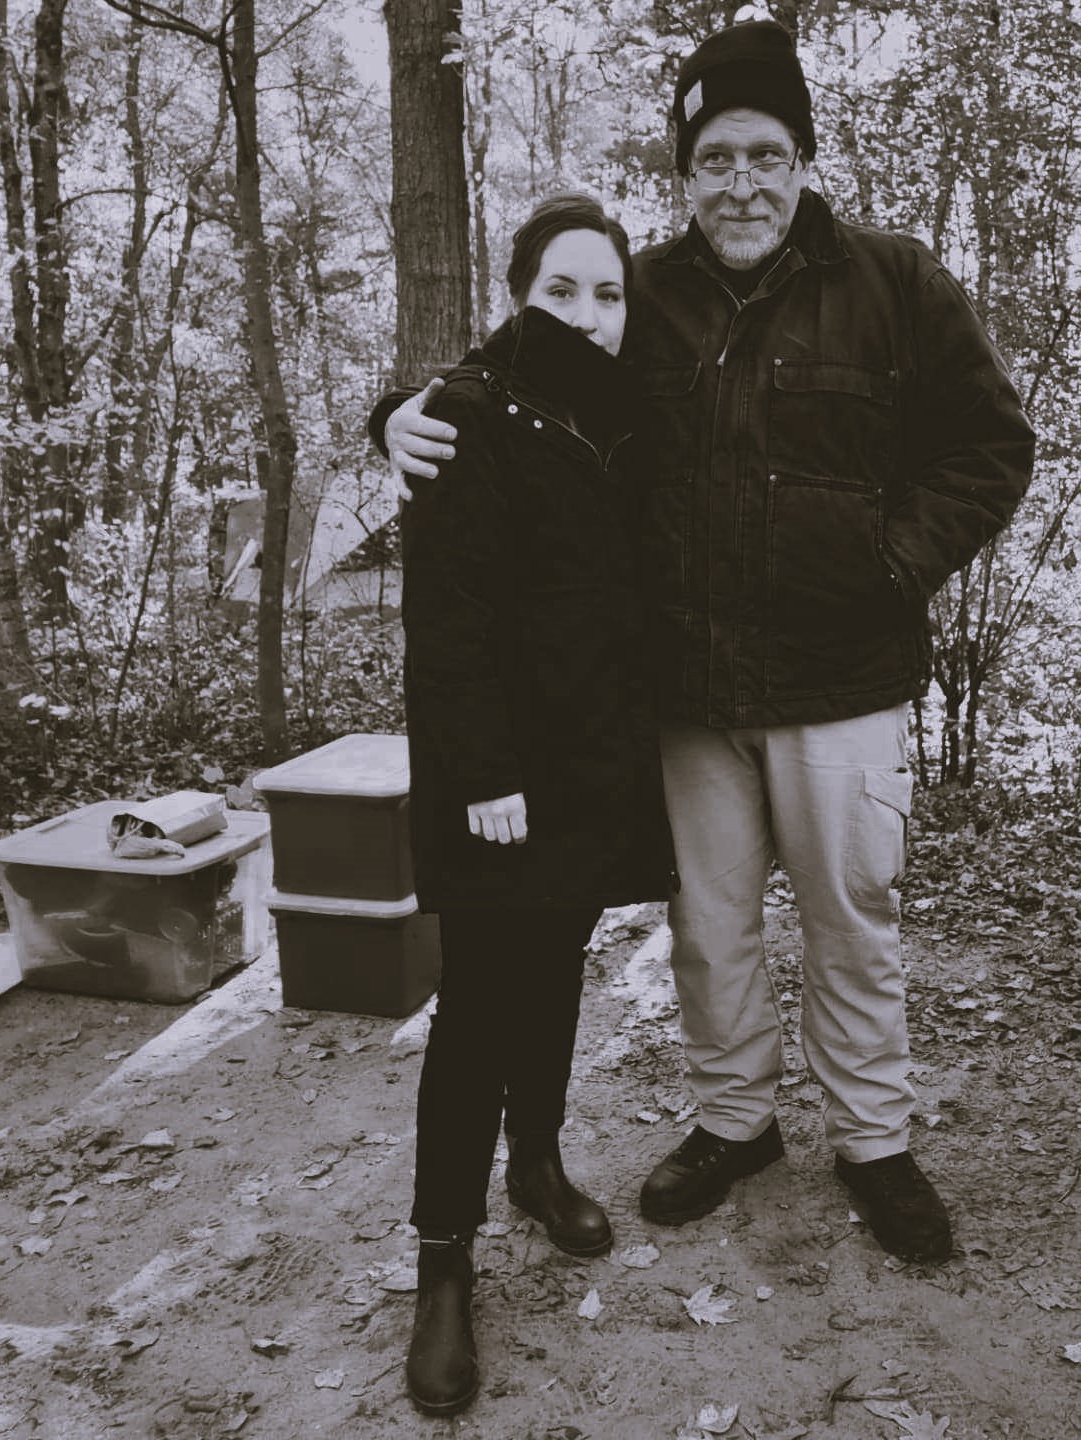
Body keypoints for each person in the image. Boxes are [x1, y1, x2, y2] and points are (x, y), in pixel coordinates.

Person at [372, 21, 1035, 1271]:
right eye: (715, 157)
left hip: (844, 683)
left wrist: (894, 560)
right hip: (684, 693)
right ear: (684, 173)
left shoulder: (894, 281)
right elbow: (515, 383)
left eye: (766, 154)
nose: (741, 182)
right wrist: (395, 414)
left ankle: (875, 1141)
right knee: (711, 926)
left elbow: (992, 449)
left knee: (852, 916)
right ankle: (736, 1123)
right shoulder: (650, 293)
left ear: (803, 159)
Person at [395, 194, 673, 1416]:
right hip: (495, 777)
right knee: (476, 1007)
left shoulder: (630, 407)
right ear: (518, 296)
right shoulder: (468, 412)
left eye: (608, 290)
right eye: (561, 289)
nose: (589, 313)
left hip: (593, 766)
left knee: (556, 969)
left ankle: (540, 1166)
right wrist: (486, 774)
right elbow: (445, 622)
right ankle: (443, 1261)